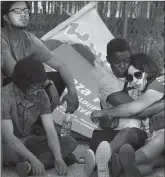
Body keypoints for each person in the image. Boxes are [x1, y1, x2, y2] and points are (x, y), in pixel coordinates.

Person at [83, 39, 163, 177]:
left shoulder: (153, 82)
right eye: (117, 62)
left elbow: (134, 109)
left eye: (126, 61)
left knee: (149, 156)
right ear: (108, 60)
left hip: (137, 134)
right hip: (110, 134)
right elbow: (132, 108)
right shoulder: (109, 82)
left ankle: (100, 165)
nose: (122, 66)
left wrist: (106, 113)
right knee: (149, 160)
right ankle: (109, 169)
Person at [2, 58, 77, 177]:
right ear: (20, 84)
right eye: (33, 89)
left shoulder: (41, 94)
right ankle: (36, 163)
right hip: (7, 144)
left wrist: (58, 158)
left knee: (69, 142)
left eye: (39, 87)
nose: (37, 92)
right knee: (7, 152)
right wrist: (33, 159)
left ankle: (29, 168)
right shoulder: (4, 96)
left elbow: (50, 131)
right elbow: (9, 137)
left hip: (28, 140)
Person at [1, 1, 79, 115]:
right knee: (32, 79)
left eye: (26, 11)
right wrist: (47, 83)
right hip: (6, 87)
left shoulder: (30, 40)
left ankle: (36, 123)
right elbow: (12, 70)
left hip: (19, 87)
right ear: (6, 18)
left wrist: (73, 92)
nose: (23, 14)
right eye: (17, 11)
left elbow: (61, 65)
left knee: (59, 77)